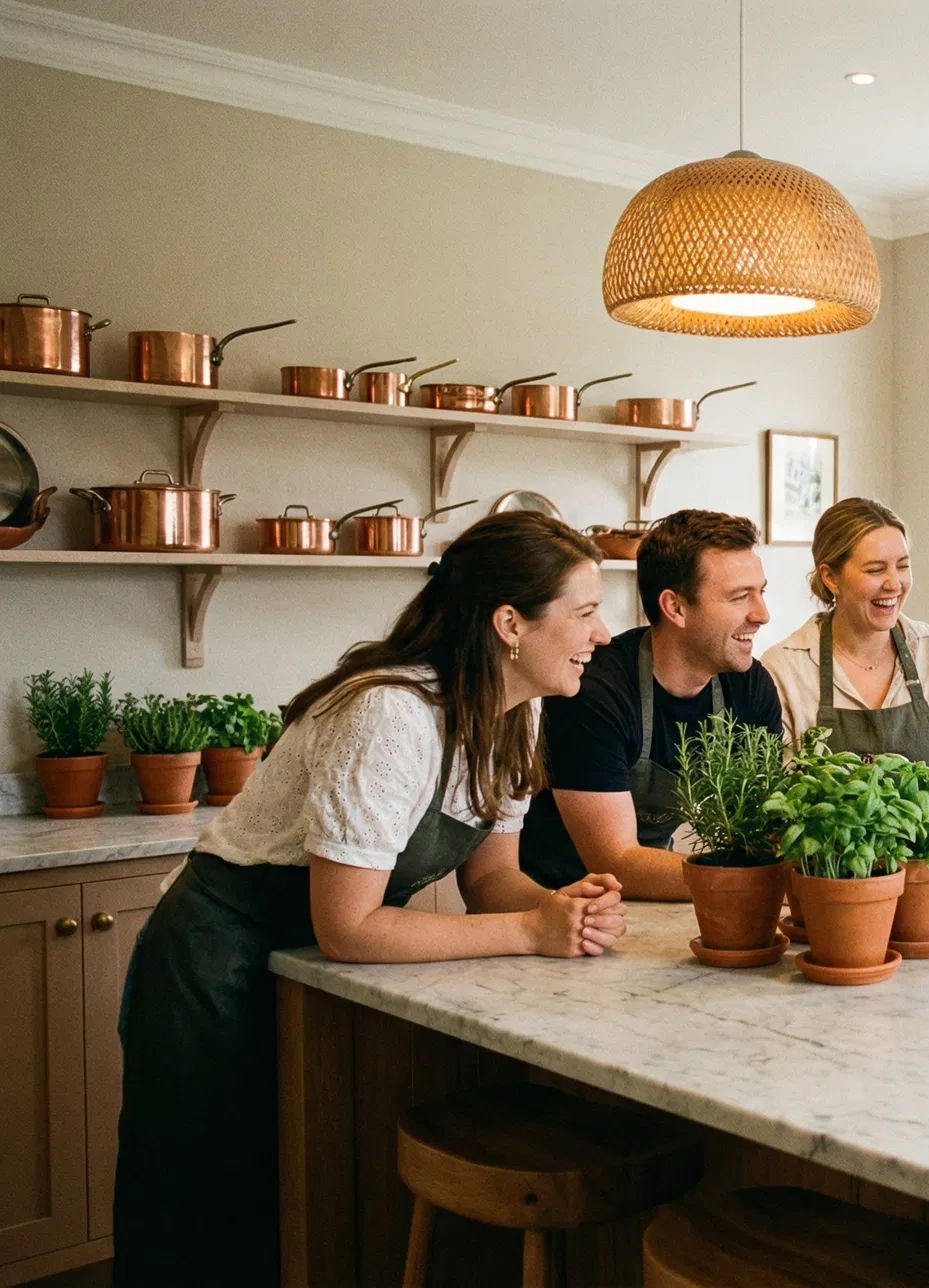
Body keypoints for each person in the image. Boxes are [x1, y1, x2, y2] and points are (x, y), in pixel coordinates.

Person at [114, 512, 626, 1286]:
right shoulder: (391, 713)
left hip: (306, 967)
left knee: (293, 1198)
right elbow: (348, 926)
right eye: (586, 612)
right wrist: (529, 931)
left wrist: (564, 909)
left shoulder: (519, 712)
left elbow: (490, 880)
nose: (606, 633)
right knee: (201, 1205)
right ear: (510, 623)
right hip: (214, 966)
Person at [521, 509, 781, 895]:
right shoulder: (594, 691)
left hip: (663, 896)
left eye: (761, 591)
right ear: (675, 607)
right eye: (740, 597)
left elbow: (765, 827)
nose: (762, 614)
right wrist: (756, 880)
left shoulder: (748, 686)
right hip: (555, 902)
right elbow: (615, 860)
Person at [762, 497, 929, 787]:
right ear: (830, 577)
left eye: (903, 566)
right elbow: (778, 793)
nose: (894, 584)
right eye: (875, 570)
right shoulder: (785, 668)